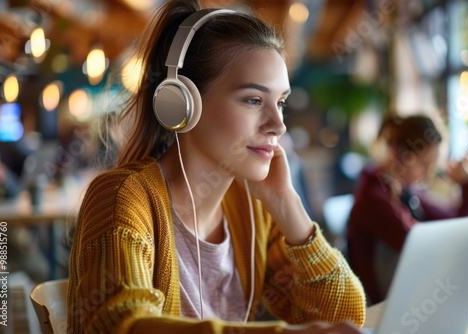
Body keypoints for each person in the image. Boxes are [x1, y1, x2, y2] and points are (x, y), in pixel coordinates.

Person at [66, 1, 366, 333]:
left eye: (280, 103)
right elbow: (122, 324)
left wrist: (286, 203)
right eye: (253, 100)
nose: (278, 125)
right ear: (181, 103)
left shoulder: (253, 209)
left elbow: (346, 315)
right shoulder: (124, 198)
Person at [346, 113, 468, 304]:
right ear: (401, 154)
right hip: (381, 310)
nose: (429, 175)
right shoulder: (373, 199)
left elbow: (451, 222)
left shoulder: (401, 190)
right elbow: (423, 248)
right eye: (424, 165)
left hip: (405, 297)